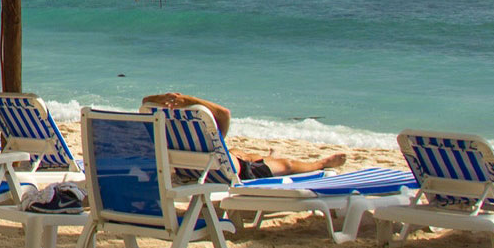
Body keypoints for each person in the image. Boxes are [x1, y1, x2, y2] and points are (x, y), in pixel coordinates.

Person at [139, 91, 347, 180]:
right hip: (230, 173)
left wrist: (161, 98)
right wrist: (190, 100)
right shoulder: (201, 129)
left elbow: (145, 103)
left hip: (191, 171)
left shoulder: (170, 131)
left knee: (239, 152)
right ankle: (321, 163)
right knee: (287, 164)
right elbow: (224, 114)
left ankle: (267, 155)